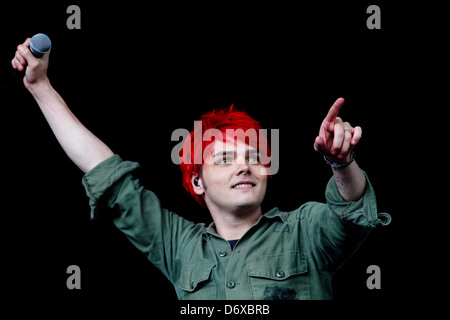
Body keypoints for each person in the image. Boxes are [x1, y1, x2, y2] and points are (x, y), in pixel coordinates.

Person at [11, 37, 391, 300]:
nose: (244, 166)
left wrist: (341, 162)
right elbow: (104, 171)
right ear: (197, 180)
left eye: (253, 157)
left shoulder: (304, 233)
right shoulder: (179, 246)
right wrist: (40, 86)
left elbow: (350, 210)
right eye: (224, 159)